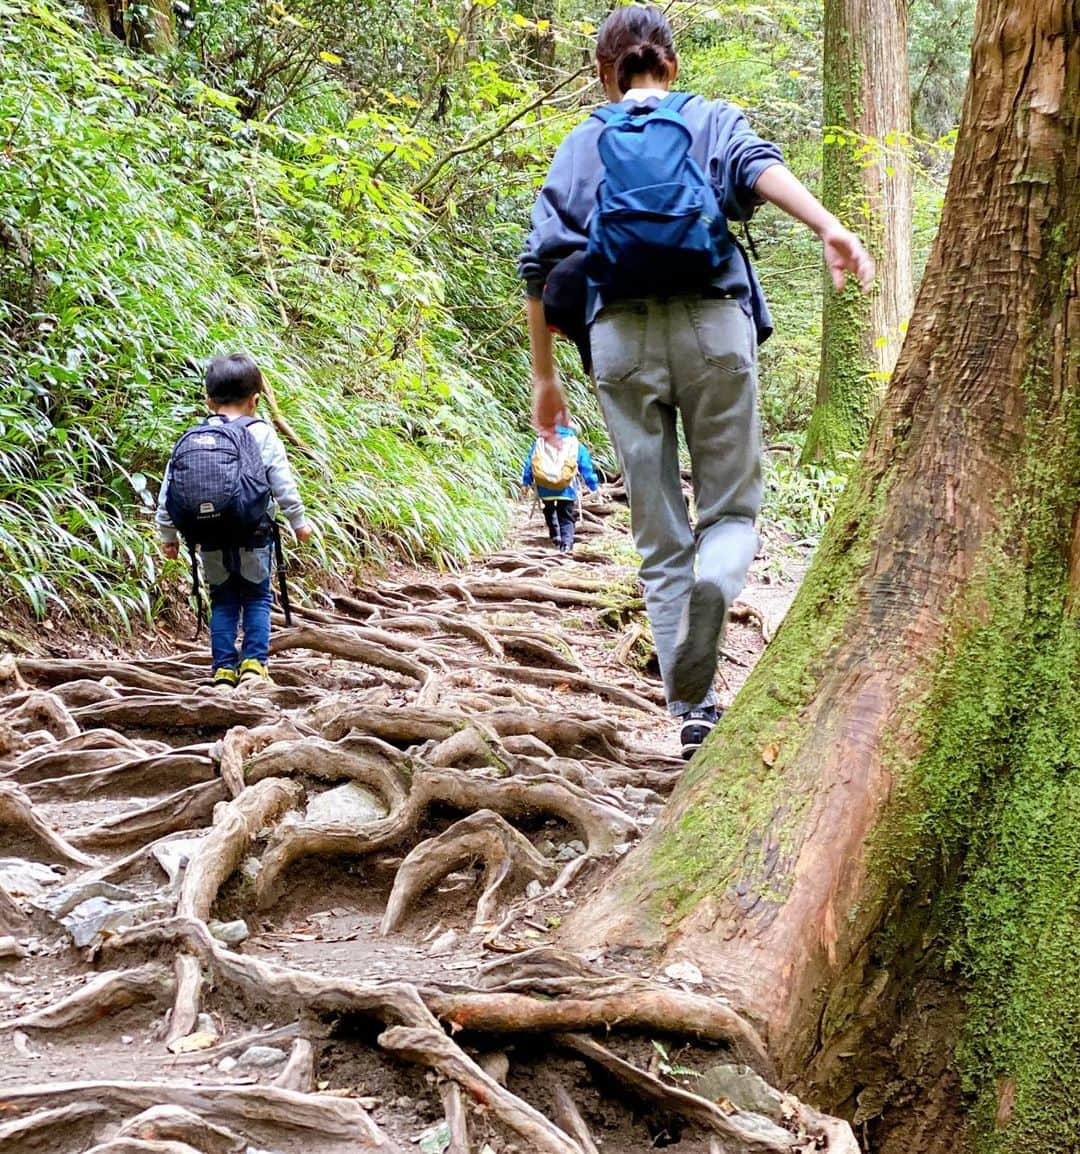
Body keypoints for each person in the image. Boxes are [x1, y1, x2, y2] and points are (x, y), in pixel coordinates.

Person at [518, 4, 874, 759]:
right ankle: (721, 577)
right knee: (733, 510)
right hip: (715, 325)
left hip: (618, 338)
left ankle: (693, 709)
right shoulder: (708, 118)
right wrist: (828, 224)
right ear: (671, 66)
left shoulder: (584, 140)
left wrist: (545, 380)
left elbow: (539, 265)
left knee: (656, 532)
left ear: (601, 74)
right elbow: (757, 167)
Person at [156, 354, 313, 686]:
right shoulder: (262, 434)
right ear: (255, 401)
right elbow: (282, 484)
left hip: (209, 536)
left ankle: (224, 668)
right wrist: (299, 522)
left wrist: (167, 535)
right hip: (254, 534)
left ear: (208, 399)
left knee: (223, 599)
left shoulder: (195, 437)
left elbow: (169, 489)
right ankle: (255, 664)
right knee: (256, 597)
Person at [521, 425, 600, 553]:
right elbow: (586, 466)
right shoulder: (574, 443)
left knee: (548, 508)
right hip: (566, 487)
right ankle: (566, 545)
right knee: (566, 515)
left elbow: (530, 463)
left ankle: (555, 535)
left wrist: (526, 482)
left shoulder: (540, 441)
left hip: (545, 486)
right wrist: (593, 485)